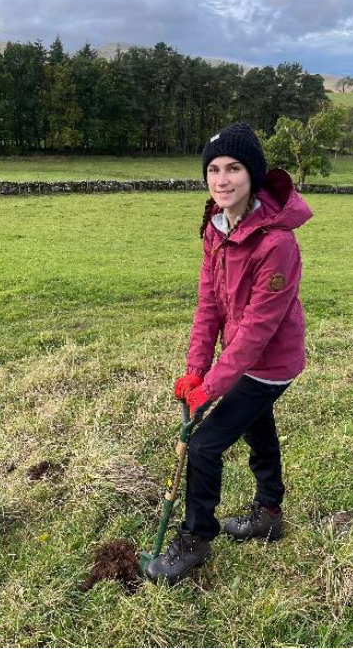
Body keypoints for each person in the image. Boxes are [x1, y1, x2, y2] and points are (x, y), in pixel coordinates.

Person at [146, 123, 313, 585]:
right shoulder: (215, 229)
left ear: (253, 175)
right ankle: (269, 512)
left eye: (234, 168)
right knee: (258, 428)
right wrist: (195, 370)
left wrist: (212, 387)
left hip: (270, 364)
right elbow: (209, 305)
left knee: (204, 445)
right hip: (237, 359)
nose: (222, 179)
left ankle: (196, 539)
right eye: (214, 169)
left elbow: (258, 330)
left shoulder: (276, 242)